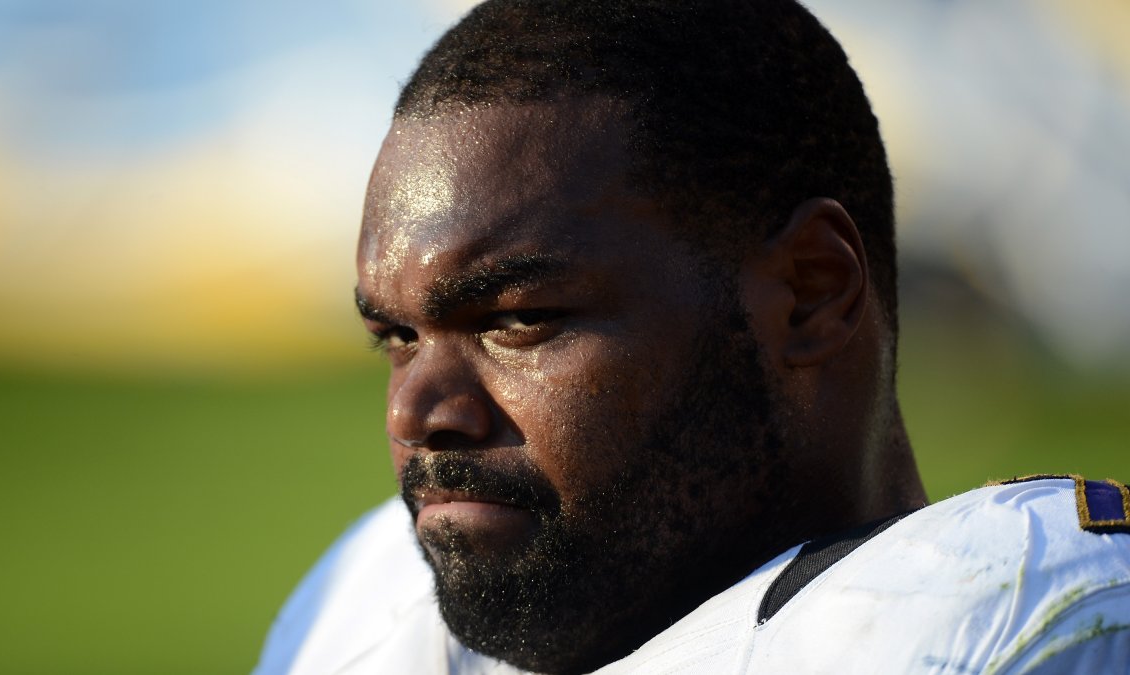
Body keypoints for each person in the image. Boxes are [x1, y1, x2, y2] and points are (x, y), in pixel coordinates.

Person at [254, 1, 1130, 673]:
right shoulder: (370, 601)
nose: (416, 411)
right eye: (397, 336)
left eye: (519, 320)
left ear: (810, 294)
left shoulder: (1002, 619)